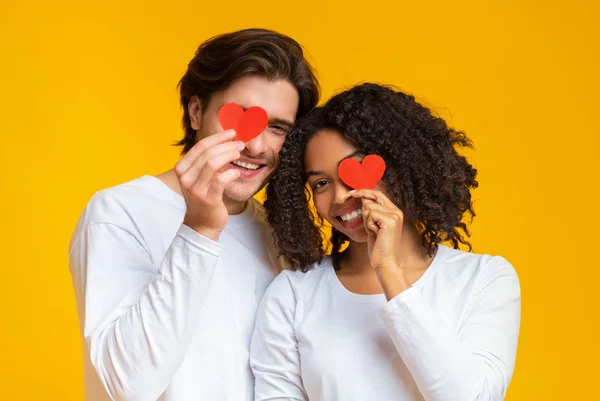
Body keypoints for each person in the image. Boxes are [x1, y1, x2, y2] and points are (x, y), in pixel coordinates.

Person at [68, 28, 319, 401]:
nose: (255, 145)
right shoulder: (119, 212)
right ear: (197, 110)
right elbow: (128, 387)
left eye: (277, 128)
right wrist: (199, 230)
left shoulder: (274, 230)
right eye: (242, 117)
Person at [251, 83, 521, 401]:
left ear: (402, 164)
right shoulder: (293, 294)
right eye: (321, 183)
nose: (339, 197)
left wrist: (389, 271)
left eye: (355, 170)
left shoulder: (484, 279)